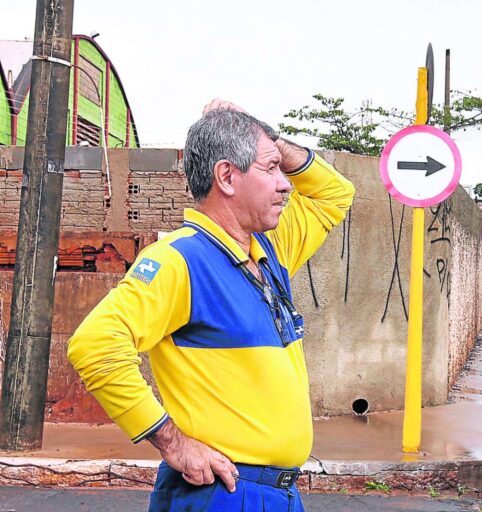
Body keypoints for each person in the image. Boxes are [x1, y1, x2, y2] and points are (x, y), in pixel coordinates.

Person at [67, 99, 355, 511]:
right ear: (227, 176)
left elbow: (336, 195)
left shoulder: (269, 249)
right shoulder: (180, 259)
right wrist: (173, 442)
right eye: (270, 168)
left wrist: (269, 141)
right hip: (224, 492)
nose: (286, 182)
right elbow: (95, 346)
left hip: (276, 494)